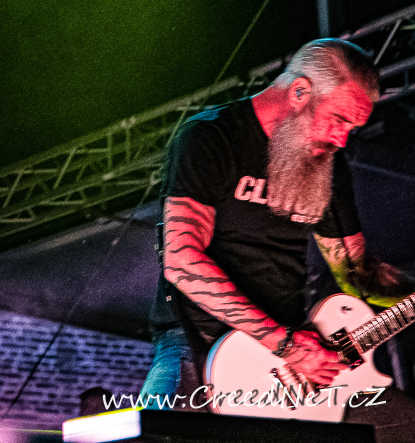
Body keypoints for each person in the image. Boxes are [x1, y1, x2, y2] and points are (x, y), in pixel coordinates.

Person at [140, 39, 415, 440]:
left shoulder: (328, 165)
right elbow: (182, 260)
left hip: (295, 360)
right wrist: (285, 344)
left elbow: (358, 275)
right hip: (197, 342)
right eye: (338, 119)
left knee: (403, 424)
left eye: (351, 128)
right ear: (300, 91)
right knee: (157, 434)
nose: (342, 140)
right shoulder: (211, 137)